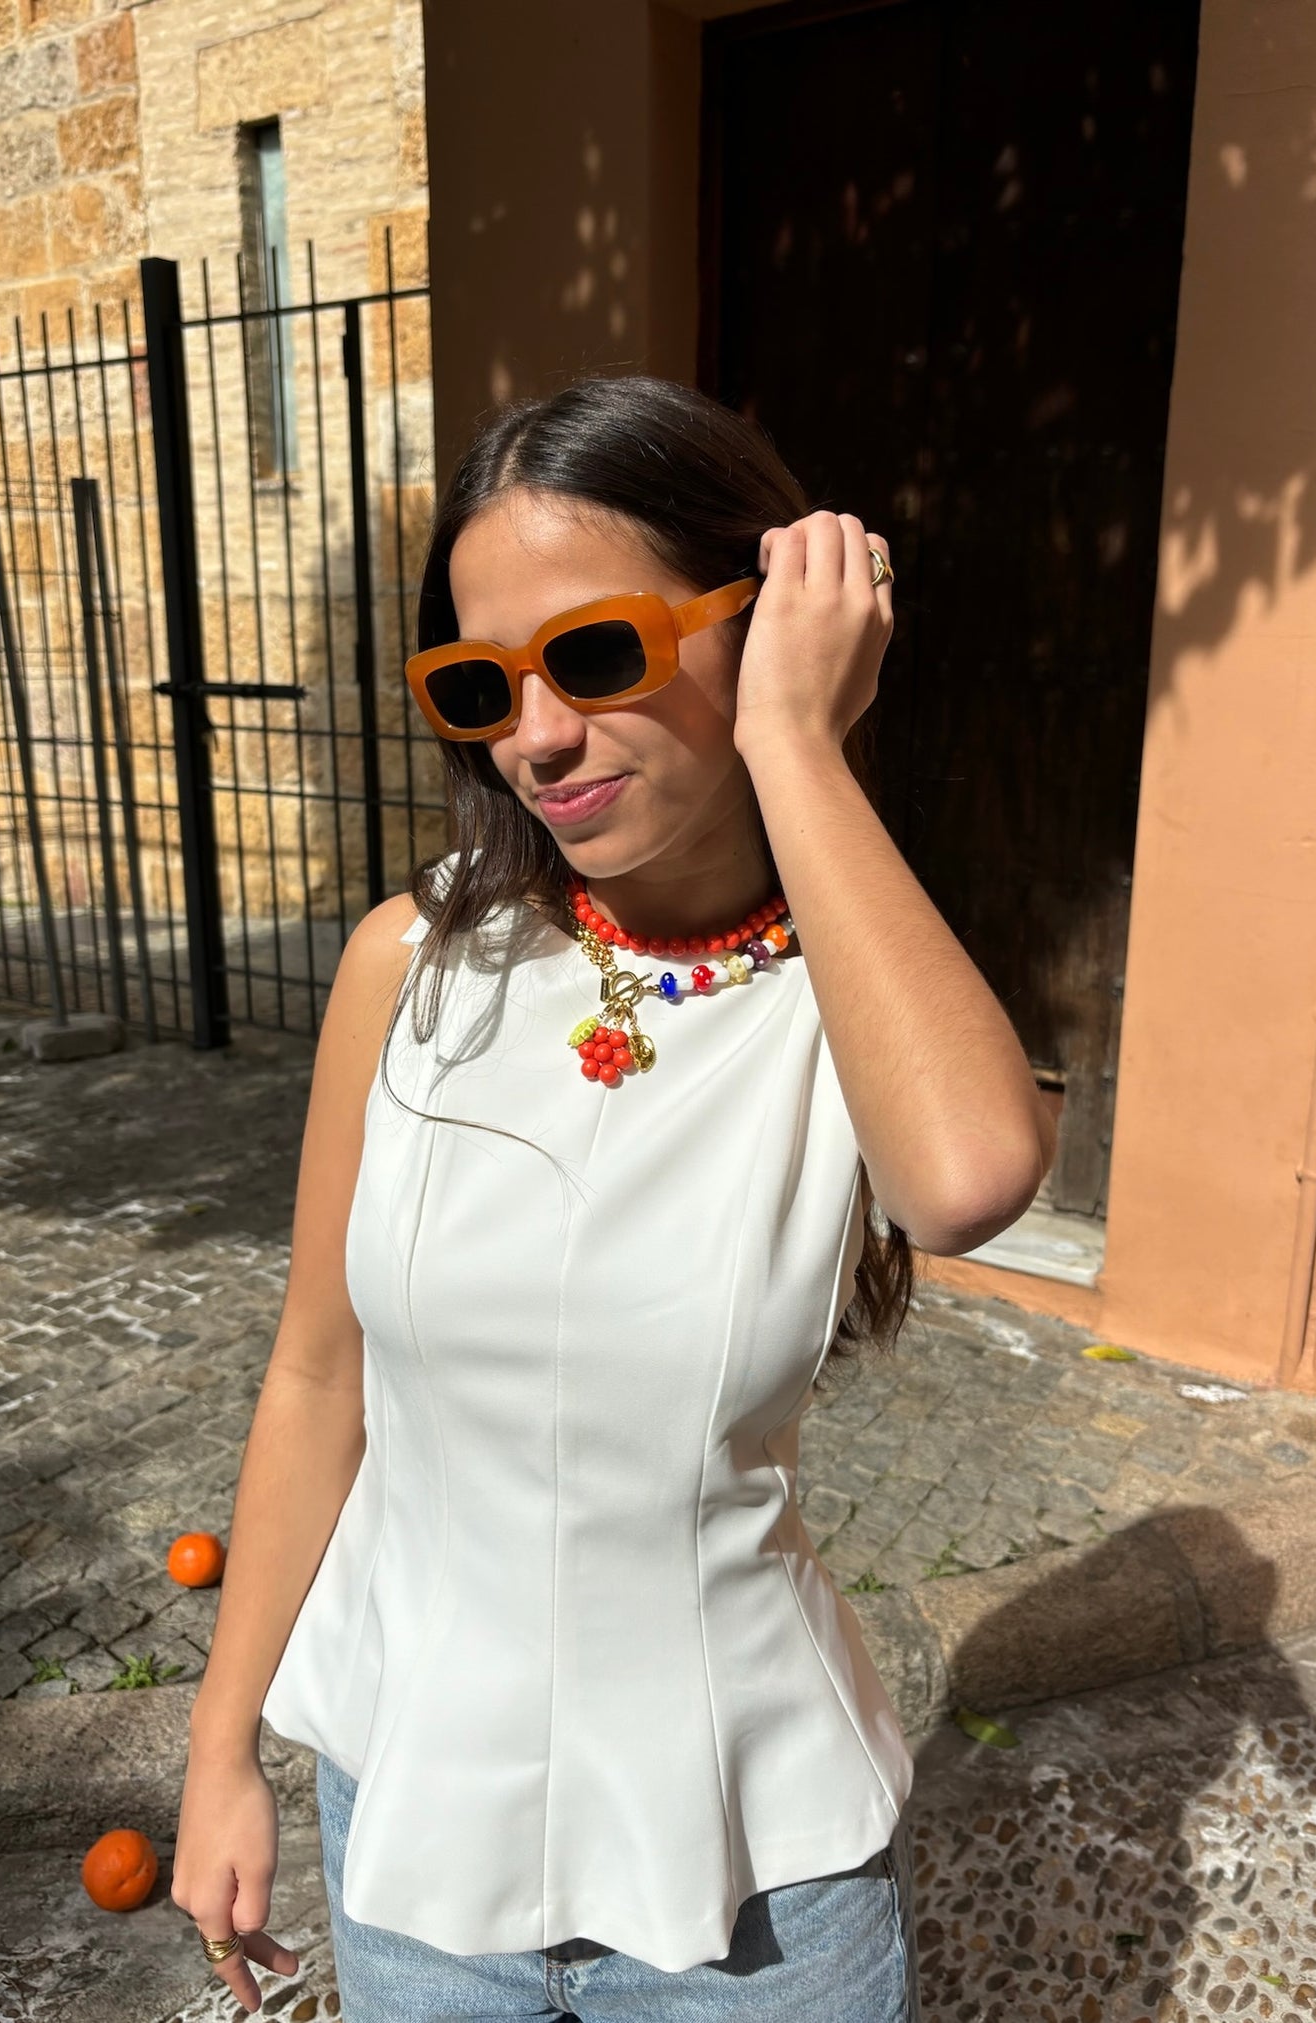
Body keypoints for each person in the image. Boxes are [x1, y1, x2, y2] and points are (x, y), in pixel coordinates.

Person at [171, 374, 1056, 2021]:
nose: (535, 737)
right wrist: (221, 1754)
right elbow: (317, 1374)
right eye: (478, 684)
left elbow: (963, 1182)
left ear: (766, 619)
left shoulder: (853, 995)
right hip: (411, 1842)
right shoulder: (410, 966)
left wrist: (795, 742)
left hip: (756, 1889)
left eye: (594, 656)